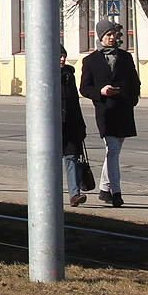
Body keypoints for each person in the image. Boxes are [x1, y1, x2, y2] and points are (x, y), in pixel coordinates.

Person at [79, 18, 140, 207]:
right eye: (108, 35)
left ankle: (104, 189)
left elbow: (135, 83)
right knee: (112, 149)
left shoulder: (125, 57)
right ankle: (116, 192)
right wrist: (101, 92)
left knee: (114, 152)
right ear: (101, 37)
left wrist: (131, 99)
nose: (112, 38)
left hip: (123, 111)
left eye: (114, 34)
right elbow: (84, 88)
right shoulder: (91, 60)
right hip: (105, 112)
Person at [59, 44, 89, 207]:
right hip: (53, 126)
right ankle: (50, 192)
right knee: (52, 160)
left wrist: (81, 125)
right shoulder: (43, 74)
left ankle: (74, 194)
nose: (62, 59)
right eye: (59, 56)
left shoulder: (69, 75)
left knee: (71, 158)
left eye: (63, 56)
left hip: (70, 124)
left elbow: (74, 102)